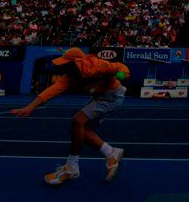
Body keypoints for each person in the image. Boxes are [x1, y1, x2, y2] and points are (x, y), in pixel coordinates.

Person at [10, 48, 130, 186]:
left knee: (78, 122)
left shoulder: (96, 65)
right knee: (80, 129)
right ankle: (111, 153)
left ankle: (72, 167)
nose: (62, 66)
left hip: (112, 96)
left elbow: (119, 67)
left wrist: (122, 74)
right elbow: (51, 91)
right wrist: (29, 107)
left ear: (77, 62)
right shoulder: (70, 76)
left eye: (66, 64)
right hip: (101, 97)